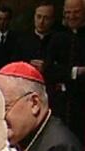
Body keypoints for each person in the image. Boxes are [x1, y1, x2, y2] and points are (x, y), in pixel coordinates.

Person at [44, 0, 85, 142]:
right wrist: (75, 72)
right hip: (60, 105)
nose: (71, 16)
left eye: (76, 12)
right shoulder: (57, 37)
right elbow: (48, 70)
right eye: (68, 12)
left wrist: (62, 72)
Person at [14, 1, 57, 74]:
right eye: (39, 17)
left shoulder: (58, 40)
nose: (41, 22)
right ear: (34, 16)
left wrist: (47, 68)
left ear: (52, 20)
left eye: (46, 18)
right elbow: (14, 64)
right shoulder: (22, 39)